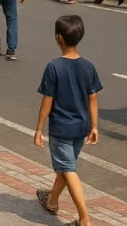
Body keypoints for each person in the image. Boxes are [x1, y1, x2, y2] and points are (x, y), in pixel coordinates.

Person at [33, 15, 102, 226]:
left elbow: (47, 101)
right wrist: (94, 126)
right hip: (81, 127)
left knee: (68, 169)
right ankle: (52, 201)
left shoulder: (54, 67)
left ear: (58, 38)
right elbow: (93, 98)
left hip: (62, 128)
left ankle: (84, 219)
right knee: (66, 165)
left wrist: (38, 129)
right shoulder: (88, 66)